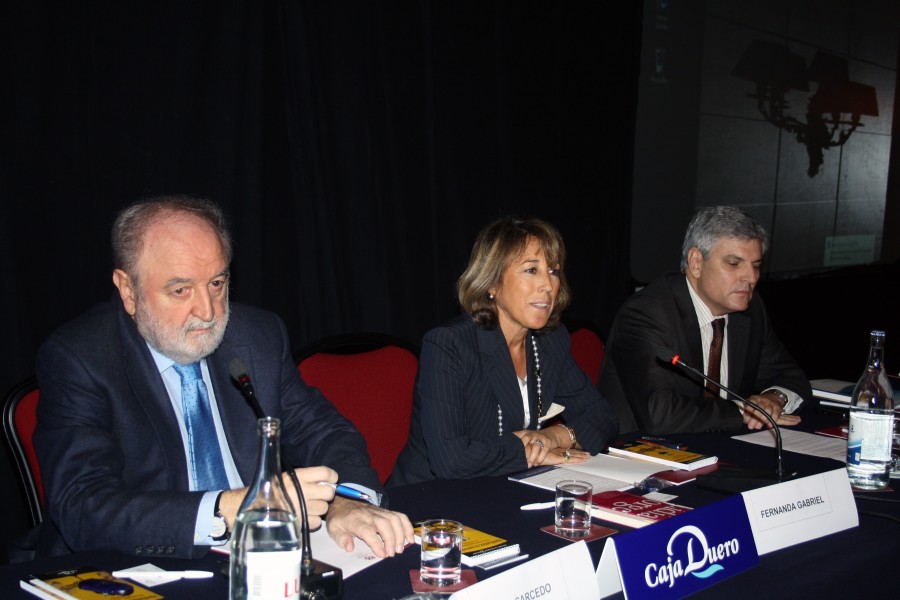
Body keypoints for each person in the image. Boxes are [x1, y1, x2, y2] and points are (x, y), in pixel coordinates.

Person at [33, 196, 413, 559]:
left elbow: (323, 432)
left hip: (258, 558)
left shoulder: (256, 336)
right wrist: (234, 507)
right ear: (128, 290)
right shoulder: (82, 358)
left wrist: (345, 502)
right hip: (139, 565)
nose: (207, 311)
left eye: (216, 283)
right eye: (181, 290)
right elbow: (84, 505)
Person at [388, 216, 618, 486]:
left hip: (504, 486)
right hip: (429, 496)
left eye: (554, 271)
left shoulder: (550, 341)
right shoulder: (449, 345)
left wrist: (553, 437)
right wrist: (529, 454)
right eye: (531, 270)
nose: (548, 285)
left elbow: (603, 417)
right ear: (492, 283)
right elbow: (451, 460)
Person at [598, 205, 811, 434]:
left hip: (721, 444)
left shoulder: (750, 310)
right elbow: (659, 413)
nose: (751, 278)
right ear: (696, 263)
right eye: (734, 264)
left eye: (756, 265)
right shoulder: (646, 313)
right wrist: (744, 410)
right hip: (640, 448)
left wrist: (775, 398)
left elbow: (791, 377)